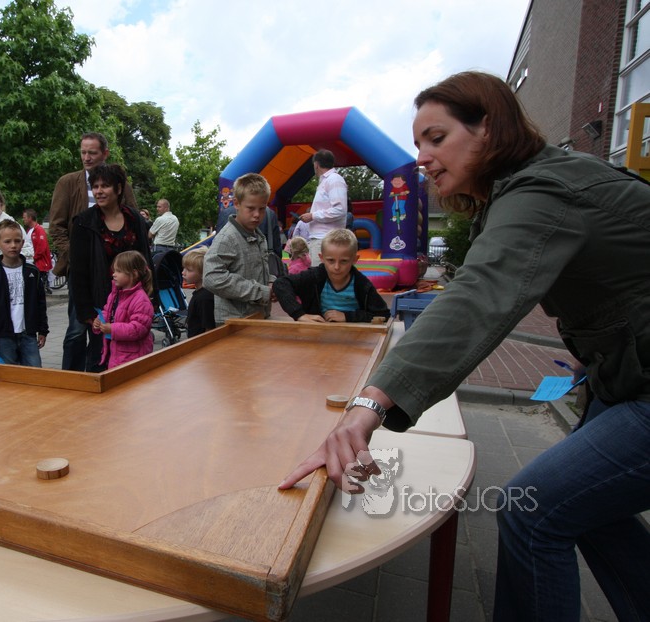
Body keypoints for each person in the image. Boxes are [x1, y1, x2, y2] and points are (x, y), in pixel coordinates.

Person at [278, 71, 650, 621]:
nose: (422, 158)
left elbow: (477, 296)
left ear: (489, 129)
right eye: (417, 144)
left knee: (533, 512)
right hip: (625, 381)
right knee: (590, 508)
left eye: (437, 137)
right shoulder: (526, 189)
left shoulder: (543, 190)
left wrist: (367, 405)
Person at [48, 132, 138, 372]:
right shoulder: (68, 183)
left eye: (92, 152)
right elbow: (56, 226)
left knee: (109, 328)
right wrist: (76, 256)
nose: (86, 157)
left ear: (105, 153)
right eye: (83, 152)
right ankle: (72, 379)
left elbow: (132, 219)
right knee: (77, 329)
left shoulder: (120, 183)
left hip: (115, 272)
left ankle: (102, 373)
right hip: (81, 270)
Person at [68, 163, 152, 372]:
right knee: (100, 358)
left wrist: (152, 296)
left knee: (131, 356)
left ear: (118, 188)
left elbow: (146, 260)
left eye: (105, 186)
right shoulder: (84, 222)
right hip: (100, 303)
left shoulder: (134, 219)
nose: (99, 191)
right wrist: (87, 312)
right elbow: (78, 272)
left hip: (133, 300)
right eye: (95, 186)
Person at [273, 229, 389, 323]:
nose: (337, 267)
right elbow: (280, 283)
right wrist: (300, 315)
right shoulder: (315, 276)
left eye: (344, 261)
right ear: (322, 258)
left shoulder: (362, 284)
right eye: (331, 260)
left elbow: (383, 314)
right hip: (318, 336)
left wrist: (347, 316)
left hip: (353, 338)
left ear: (355, 259)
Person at [203, 173, 274, 324]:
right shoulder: (227, 238)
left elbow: (259, 270)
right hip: (234, 323)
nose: (257, 215)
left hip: (256, 317)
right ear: (236, 203)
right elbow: (211, 278)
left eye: (262, 209)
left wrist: (271, 282)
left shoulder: (258, 235)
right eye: (251, 208)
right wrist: (260, 292)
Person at [0, 220, 48, 367]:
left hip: (28, 334)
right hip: (3, 336)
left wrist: (43, 330)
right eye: (7, 241)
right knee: (7, 374)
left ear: (23, 242)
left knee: (35, 373)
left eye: (17, 241)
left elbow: (40, 303)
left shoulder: (32, 271)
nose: (13, 245)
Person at [92, 250, 154, 369]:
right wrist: (99, 320)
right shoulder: (115, 294)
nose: (114, 274)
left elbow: (138, 329)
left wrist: (112, 329)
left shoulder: (141, 300)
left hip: (133, 357)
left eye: (119, 271)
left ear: (134, 274)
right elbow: (108, 311)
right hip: (117, 353)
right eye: (114, 270)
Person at [299, 149, 348, 267]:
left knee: (320, 275)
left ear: (316, 164)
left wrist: (313, 216)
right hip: (323, 238)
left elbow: (340, 210)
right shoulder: (327, 181)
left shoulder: (334, 179)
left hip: (326, 239)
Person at [181, 247, 215, 338]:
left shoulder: (204, 298)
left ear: (203, 272)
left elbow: (209, 328)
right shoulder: (200, 293)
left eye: (189, 270)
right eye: (184, 268)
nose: (183, 272)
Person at [23, 209, 53, 294]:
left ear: (30, 218)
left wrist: (34, 258)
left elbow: (42, 247)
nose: (23, 219)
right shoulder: (30, 231)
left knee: (37, 287)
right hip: (32, 263)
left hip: (38, 264)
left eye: (24, 217)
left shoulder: (39, 230)